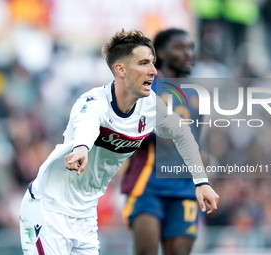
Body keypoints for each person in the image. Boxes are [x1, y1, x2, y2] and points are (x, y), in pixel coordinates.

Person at [19, 29, 219, 255]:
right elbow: (87, 123)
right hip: (49, 208)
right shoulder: (94, 102)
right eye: (144, 63)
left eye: (153, 63)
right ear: (120, 69)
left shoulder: (151, 106)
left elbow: (182, 135)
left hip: (85, 215)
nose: (153, 71)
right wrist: (82, 147)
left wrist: (201, 182)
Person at [121, 28, 209, 255]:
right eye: (180, 48)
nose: (188, 53)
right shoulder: (144, 87)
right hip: (147, 186)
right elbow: (127, 129)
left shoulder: (197, 94)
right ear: (161, 52)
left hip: (185, 189)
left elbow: (197, 140)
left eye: (190, 47)